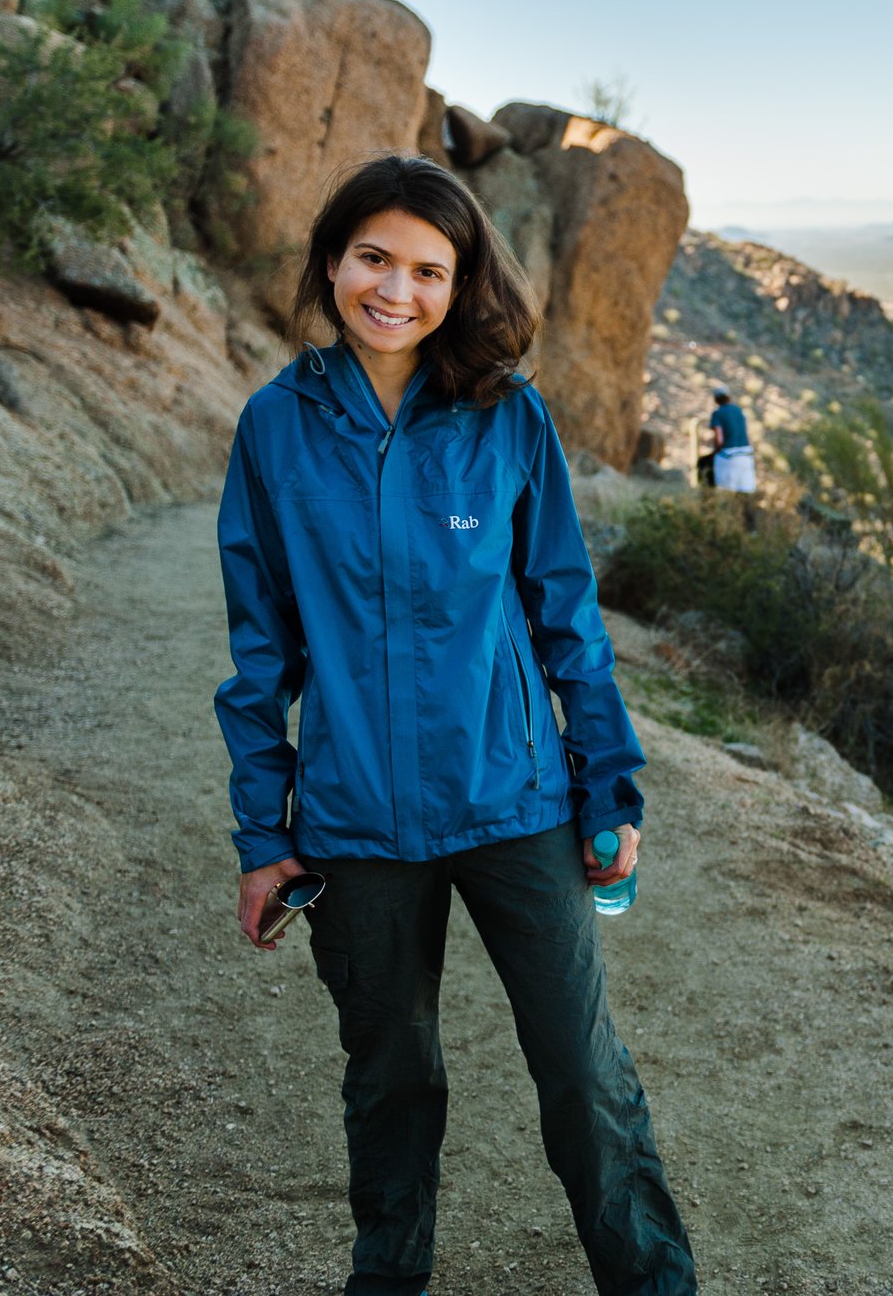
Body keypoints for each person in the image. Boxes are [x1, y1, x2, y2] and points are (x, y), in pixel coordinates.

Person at [213, 154, 696, 1296]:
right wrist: (260, 831)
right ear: (332, 262)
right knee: (389, 1079)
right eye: (374, 257)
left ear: (463, 281)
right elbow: (259, 651)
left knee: (583, 1071)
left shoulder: (506, 418)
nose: (398, 289)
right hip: (355, 816)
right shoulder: (275, 429)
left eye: (430, 268)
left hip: (514, 797)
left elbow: (564, 612)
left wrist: (608, 785)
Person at [707, 388, 755, 494]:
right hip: (746, 455)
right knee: (745, 492)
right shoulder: (738, 411)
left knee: (726, 491)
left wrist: (716, 451)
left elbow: (719, 439)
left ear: (716, 399)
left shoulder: (718, 413)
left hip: (728, 456)